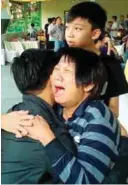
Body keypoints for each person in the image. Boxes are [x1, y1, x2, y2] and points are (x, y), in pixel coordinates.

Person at [17, 47, 120, 184]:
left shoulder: (97, 120)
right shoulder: (57, 107)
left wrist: (47, 138)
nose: (57, 76)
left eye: (67, 71)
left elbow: (85, 181)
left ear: (88, 84)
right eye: (57, 69)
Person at [1, 49, 77, 184]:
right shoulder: (47, 131)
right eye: (59, 70)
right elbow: (79, 178)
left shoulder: (14, 113)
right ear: (51, 78)